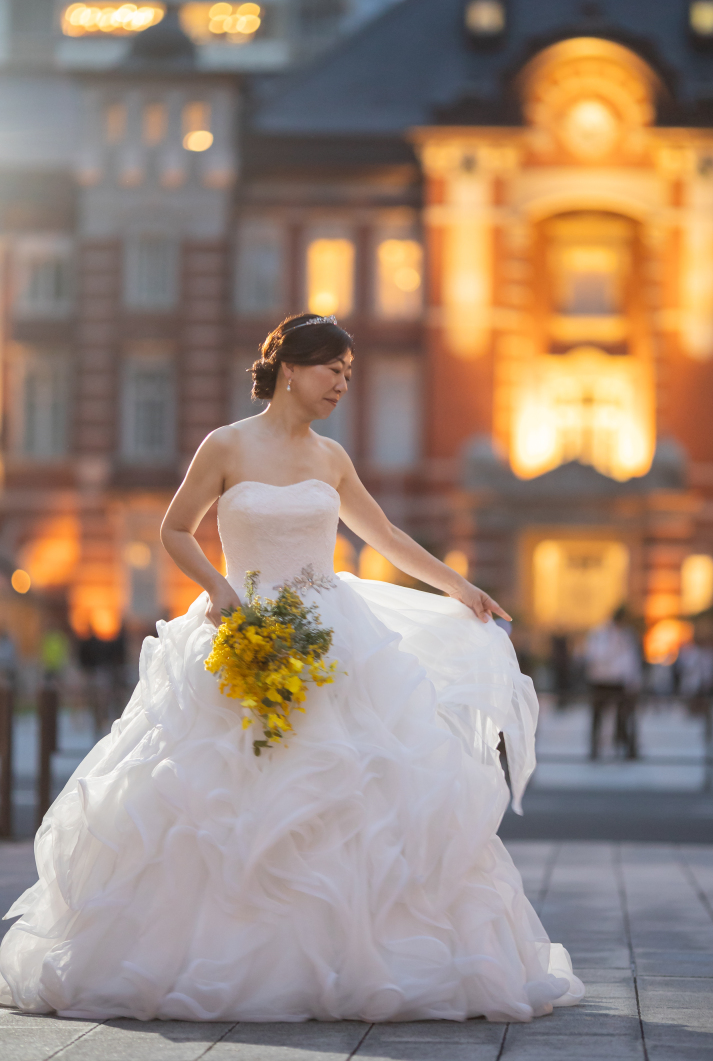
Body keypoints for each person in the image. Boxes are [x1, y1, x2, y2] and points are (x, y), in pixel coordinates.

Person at [0, 313, 583, 1022]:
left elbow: (385, 535)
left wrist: (459, 587)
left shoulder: (331, 459)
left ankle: (346, 955)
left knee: (352, 793)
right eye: (331, 368)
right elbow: (174, 528)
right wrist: (219, 591)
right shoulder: (225, 445)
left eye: (348, 373)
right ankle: (216, 952)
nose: (342, 383)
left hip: (331, 640)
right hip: (241, 628)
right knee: (215, 796)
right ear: (289, 369)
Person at [583, 606, 642, 760]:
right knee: (598, 717)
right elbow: (594, 655)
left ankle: (626, 748)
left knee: (624, 717)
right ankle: (595, 749)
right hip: (601, 680)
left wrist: (633, 680)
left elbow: (631, 660)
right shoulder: (599, 634)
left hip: (619, 681)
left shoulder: (626, 635)